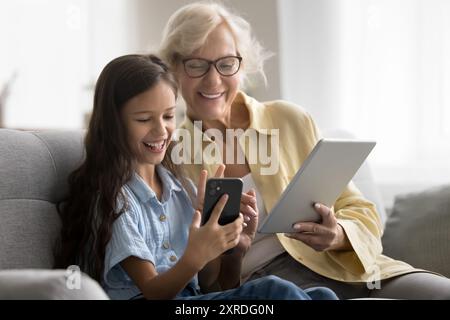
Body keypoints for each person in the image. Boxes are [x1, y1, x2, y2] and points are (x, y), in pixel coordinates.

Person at [158, 2, 450, 299]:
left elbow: (362, 211)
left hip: (350, 267)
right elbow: (203, 284)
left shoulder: (289, 119)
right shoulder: (172, 156)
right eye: (196, 64)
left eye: (226, 63)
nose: (213, 79)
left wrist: (337, 235)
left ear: (242, 65)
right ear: (173, 69)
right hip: (270, 285)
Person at [53, 54, 337, 300]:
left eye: (167, 116)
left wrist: (233, 250)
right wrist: (195, 254)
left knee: (322, 295)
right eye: (143, 119)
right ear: (113, 124)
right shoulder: (114, 199)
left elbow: (210, 283)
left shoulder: (178, 187)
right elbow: (153, 291)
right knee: (277, 291)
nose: (161, 130)